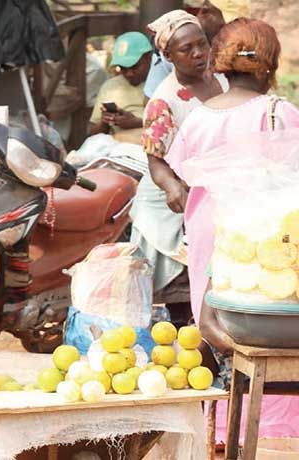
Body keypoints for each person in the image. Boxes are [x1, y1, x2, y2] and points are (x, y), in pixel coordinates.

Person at [163, 16, 299, 444]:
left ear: (221, 63)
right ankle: (278, 429)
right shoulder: (280, 113)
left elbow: (181, 174)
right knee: (271, 325)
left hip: (209, 233)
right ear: (271, 65)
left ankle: (221, 428)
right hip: (266, 237)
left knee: (221, 326)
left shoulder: (198, 118)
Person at [131, 10, 228, 326]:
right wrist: (173, 187)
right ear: (168, 55)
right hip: (168, 206)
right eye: (187, 49)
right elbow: (155, 161)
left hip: (211, 196)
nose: (199, 53)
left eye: (202, 44)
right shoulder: (164, 101)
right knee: (179, 296)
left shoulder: (224, 82)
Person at [89, 32, 153, 136]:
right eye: (123, 68)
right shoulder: (110, 87)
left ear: (149, 58)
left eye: (134, 67)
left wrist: (138, 123)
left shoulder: (163, 83)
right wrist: (105, 122)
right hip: (117, 147)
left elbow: (177, 124)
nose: (129, 74)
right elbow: (92, 133)